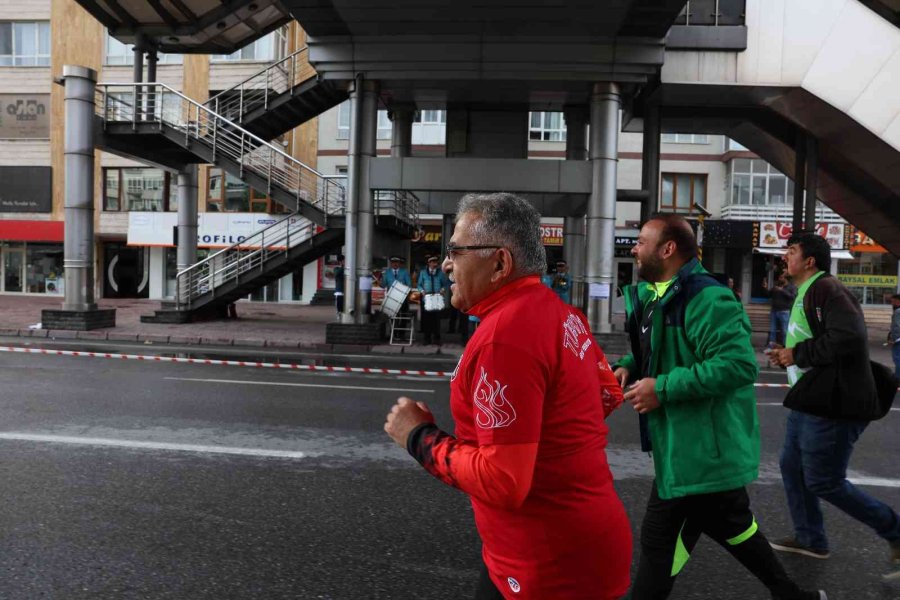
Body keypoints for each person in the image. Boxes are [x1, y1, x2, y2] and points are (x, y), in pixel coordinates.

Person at [384, 193, 631, 600]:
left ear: (499, 263)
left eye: (455, 251)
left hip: (548, 567)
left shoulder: (505, 338)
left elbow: (503, 481)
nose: (445, 264)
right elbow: (605, 397)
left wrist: (417, 436)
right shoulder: (564, 313)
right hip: (557, 545)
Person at [613, 214, 824, 600]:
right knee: (729, 526)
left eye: (642, 241)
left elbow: (738, 364)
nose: (635, 248)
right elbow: (656, 348)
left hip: (699, 450)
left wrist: (662, 387)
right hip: (683, 446)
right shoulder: (656, 294)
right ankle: (793, 595)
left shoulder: (706, 297)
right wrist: (629, 366)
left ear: (668, 248)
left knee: (661, 543)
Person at [768, 233, 900, 569]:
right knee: (792, 467)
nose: (785, 257)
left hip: (835, 403)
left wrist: (797, 353)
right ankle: (810, 538)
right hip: (810, 399)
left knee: (824, 480)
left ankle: (895, 530)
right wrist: (788, 356)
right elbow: (817, 341)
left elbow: (848, 338)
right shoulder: (805, 293)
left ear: (809, 261)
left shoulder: (827, 289)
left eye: (791, 251)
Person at [417, 255, 450, 345]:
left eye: (436, 262)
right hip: (427, 298)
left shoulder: (440, 273)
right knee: (427, 319)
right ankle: (426, 338)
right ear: (429, 263)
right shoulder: (423, 273)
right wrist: (422, 291)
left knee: (436, 319)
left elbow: (446, 283)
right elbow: (419, 285)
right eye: (432, 262)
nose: (434, 264)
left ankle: (437, 338)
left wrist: (443, 289)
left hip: (437, 297)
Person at [763, 272, 797, 347]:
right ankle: (771, 347)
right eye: (779, 277)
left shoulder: (791, 287)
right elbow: (769, 295)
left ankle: (785, 346)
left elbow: (792, 297)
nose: (779, 279)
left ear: (786, 279)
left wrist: (782, 290)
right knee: (772, 330)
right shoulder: (776, 286)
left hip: (784, 311)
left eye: (781, 277)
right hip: (774, 311)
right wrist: (765, 288)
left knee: (784, 331)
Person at [889, 293, 900, 378]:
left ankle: (898, 381)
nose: (892, 303)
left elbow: (896, 327)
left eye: (893, 301)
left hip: (898, 340)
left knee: (898, 360)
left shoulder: (897, 311)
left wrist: (893, 339)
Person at [333, 255, 345, 320]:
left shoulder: (346, 268)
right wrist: (342, 266)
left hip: (346, 291)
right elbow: (336, 274)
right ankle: (339, 315)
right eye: (343, 260)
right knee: (339, 305)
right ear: (340, 261)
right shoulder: (336, 268)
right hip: (339, 290)